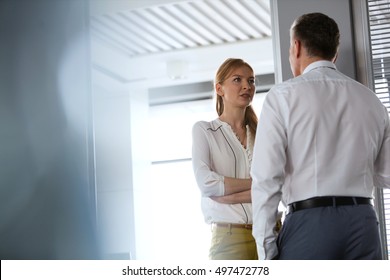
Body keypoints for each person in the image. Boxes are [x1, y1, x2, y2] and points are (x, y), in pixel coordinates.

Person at [251, 12, 390, 260]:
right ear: (334, 53)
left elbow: (266, 179)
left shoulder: (282, 96)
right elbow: (386, 173)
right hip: (364, 224)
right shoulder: (370, 99)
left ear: (296, 46)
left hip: (310, 223)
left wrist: (266, 250)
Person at [192, 58, 258, 259]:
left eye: (251, 81)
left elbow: (281, 186)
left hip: (270, 231)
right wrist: (258, 185)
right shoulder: (205, 130)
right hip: (229, 237)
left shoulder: (264, 133)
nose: (247, 86)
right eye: (237, 80)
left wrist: (228, 194)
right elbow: (207, 184)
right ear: (219, 89)